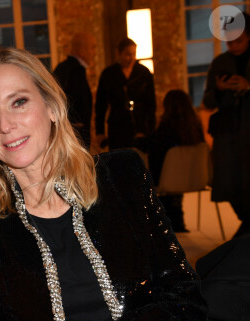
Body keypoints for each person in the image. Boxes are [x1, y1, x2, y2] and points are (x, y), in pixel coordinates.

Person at [0, 47, 214, 321]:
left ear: (51, 106)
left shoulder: (122, 176)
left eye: (19, 102)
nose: (6, 125)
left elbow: (183, 302)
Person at [203, 12, 250, 238]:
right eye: (229, 41)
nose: (234, 46)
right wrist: (220, 90)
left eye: (238, 40)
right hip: (228, 134)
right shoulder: (220, 62)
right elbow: (207, 101)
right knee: (230, 185)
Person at [136, 89, 205, 233]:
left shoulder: (166, 128)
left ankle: (161, 222)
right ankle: (177, 219)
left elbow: (152, 146)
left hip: (167, 179)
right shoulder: (196, 128)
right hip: (194, 179)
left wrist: (138, 139)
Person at [95, 37, 156, 150]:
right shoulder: (109, 74)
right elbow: (101, 104)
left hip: (139, 124)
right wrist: (100, 131)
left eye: (134, 54)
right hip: (117, 125)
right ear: (119, 54)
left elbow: (151, 103)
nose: (132, 58)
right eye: (128, 54)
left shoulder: (143, 73)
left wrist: (150, 129)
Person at [53, 33, 96, 150]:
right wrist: (74, 122)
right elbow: (58, 98)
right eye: (93, 48)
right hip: (74, 135)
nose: (94, 53)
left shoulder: (70, 68)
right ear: (82, 51)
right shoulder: (73, 70)